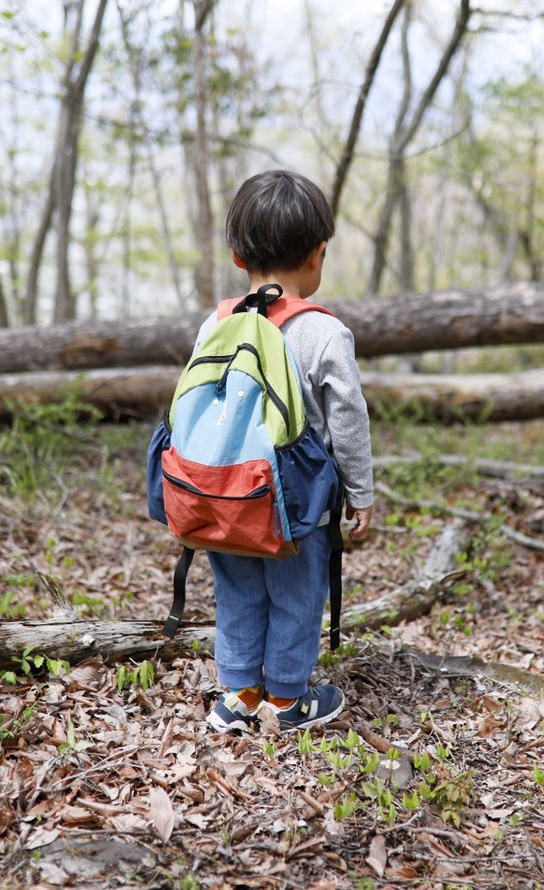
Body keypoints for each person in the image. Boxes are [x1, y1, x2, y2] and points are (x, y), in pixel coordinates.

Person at [199, 169, 373, 733]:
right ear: (317, 255)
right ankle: (287, 701)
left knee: (238, 588)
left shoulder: (215, 325)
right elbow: (347, 418)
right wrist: (360, 491)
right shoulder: (323, 333)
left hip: (223, 493)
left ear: (235, 256)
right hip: (297, 503)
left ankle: (240, 694)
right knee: (297, 597)